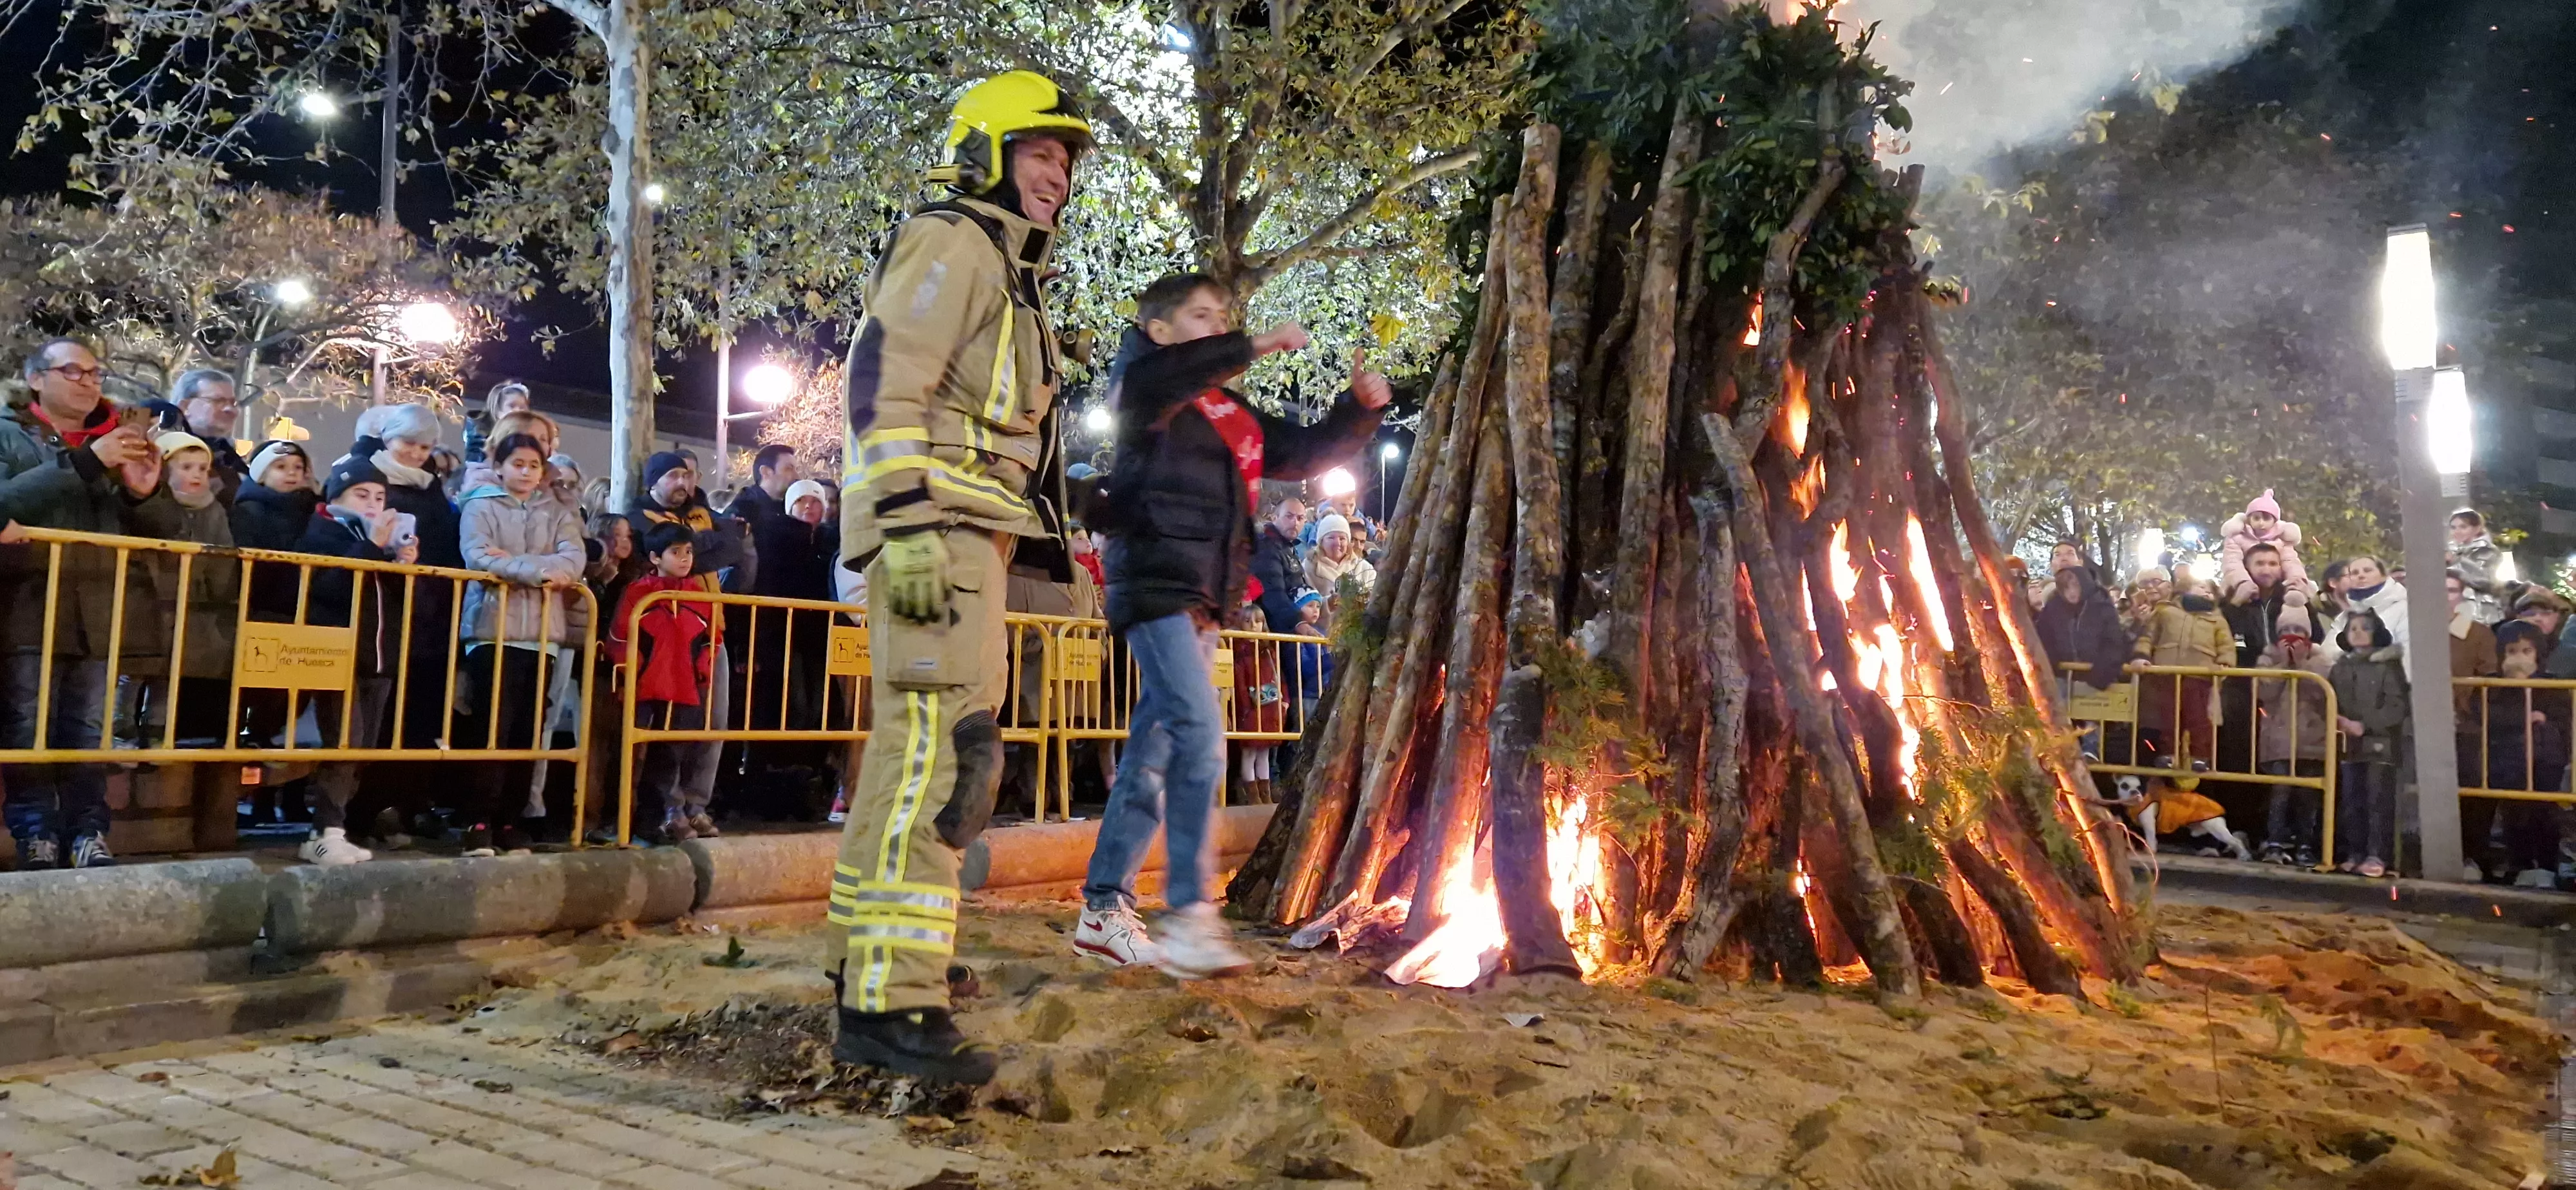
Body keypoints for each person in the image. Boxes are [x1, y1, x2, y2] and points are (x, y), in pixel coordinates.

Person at [826, 70, 1094, 1084]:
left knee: (921, 760)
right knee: (942, 768)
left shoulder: (998, 261)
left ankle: (873, 965)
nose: (1058, 175)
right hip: (934, 531)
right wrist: (907, 529)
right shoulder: (958, 243)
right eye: (1040, 153)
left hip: (960, 530)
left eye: (1066, 162)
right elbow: (884, 377)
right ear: (987, 152)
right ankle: (891, 1006)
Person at [1080, 270, 1388, 981]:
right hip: (1157, 582)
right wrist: (1252, 343)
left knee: (1154, 751)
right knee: (1199, 734)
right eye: (1199, 316)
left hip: (1205, 596)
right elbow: (1173, 376)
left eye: (1222, 315)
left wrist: (1358, 413)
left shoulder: (1230, 413)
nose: (1216, 327)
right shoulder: (1143, 388)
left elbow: (1305, 452)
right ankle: (1190, 914)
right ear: (1158, 332)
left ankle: (1102, 908)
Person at [0, 339, 154, 869]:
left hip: (97, 611)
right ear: (36, 378)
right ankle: (36, 832)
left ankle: (89, 831)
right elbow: (5, 502)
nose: (88, 381)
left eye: (95, 372)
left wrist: (141, 494)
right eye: (73, 371)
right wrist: (88, 461)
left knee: (90, 732)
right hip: (26, 604)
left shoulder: (115, 442)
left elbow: (158, 535)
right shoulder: (8, 431)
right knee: (28, 727)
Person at [454, 432, 585, 855]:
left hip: (543, 636)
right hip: (493, 630)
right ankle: (478, 820)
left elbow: (573, 560)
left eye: (533, 465)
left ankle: (511, 821)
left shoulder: (557, 511)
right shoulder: (481, 505)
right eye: (518, 464)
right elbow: (478, 556)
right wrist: (541, 571)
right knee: (491, 729)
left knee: (528, 733)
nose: (526, 472)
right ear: (500, 466)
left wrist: (517, 567)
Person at [286, 456, 415, 865]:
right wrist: (373, 548)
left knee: (362, 749)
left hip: (378, 657)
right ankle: (325, 830)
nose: (373, 504)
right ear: (338, 496)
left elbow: (395, 603)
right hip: (337, 654)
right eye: (362, 495)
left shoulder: (376, 538)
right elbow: (330, 590)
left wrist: (400, 565)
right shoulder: (323, 531)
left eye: (379, 496)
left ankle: (330, 829)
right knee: (343, 742)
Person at [630, 452, 743, 826]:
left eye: (688, 475)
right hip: (672, 635)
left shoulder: (702, 512)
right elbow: (707, 553)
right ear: (653, 481)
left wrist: (704, 541)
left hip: (712, 629)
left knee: (715, 722)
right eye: (674, 476)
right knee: (674, 724)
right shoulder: (641, 515)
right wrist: (704, 542)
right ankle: (670, 806)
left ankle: (698, 806)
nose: (684, 483)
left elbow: (731, 549)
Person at [127, 431, 242, 750]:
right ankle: (120, 733)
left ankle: (156, 736)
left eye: (202, 469)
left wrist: (217, 590)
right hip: (146, 602)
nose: (196, 475)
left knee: (169, 675)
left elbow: (223, 556)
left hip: (190, 606)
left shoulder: (212, 509)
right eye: (186, 467)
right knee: (132, 673)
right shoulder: (147, 501)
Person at [610, 522, 721, 842]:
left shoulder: (698, 595)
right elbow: (620, 636)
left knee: (673, 754)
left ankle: (662, 818)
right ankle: (630, 822)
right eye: (676, 552)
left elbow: (712, 637)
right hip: (647, 687)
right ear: (656, 557)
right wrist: (629, 673)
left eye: (688, 552)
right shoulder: (639, 593)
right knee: (637, 754)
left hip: (685, 687)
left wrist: (704, 668)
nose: (685, 559)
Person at [2464, 621, 2570, 887]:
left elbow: (2561, 719)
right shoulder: (2492, 686)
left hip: (2544, 761)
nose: (2519, 659)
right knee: (2510, 812)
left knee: (2542, 811)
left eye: (2526, 651)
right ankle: (2516, 864)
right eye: (2512, 652)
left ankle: (2545, 866)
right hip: (2503, 760)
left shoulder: (2553, 685)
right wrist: (2526, 714)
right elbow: (2487, 715)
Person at [2327, 610, 2407, 878]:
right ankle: (2355, 852)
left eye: (2365, 627)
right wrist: (2338, 719)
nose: (2358, 632)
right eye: (2353, 628)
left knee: (2378, 800)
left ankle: (2378, 853)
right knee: (2352, 801)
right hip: (2348, 743)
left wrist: (2365, 725)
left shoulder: (2388, 666)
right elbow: (2329, 698)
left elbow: (2397, 705)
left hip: (2380, 743)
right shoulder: (2340, 668)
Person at [2253, 609, 2333, 866]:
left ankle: (2305, 844)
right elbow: (2265, 692)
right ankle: (2274, 842)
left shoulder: (2320, 659)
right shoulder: (2267, 658)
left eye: (2299, 632)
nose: (2293, 637)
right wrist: (2285, 665)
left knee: (2308, 796)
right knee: (2280, 792)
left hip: (2313, 740)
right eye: (2287, 632)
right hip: (2278, 740)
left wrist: (2301, 664)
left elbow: (2320, 691)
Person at [2132, 574, 2231, 769]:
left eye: (2211, 591)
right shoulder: (2165, 612)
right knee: (2168, 717)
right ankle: (2168, 753)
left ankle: (2200, 756)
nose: (2206, 592)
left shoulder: (2218, 620)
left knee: (2200, 719)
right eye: (2201, 586)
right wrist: (2141, 656)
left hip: (2200, 676)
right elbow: (2148, 636)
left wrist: (2225, 663)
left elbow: (2226, 645)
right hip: (2166, 674)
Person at [2032, 562, 2130, 694]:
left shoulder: (2103, 606)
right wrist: (2052, 667)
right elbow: (2044, 639)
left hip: (2099, 682)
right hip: (2062, 680)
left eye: (2075, 586)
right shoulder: (2053, 608)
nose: (2071, 592)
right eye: (2066, 588)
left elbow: (2113, 643)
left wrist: (2100, 677)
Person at [168, 369, 251, 505]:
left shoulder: (227, 456)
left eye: (233, 403)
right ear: (185, 407)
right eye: (218, 401)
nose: (230, 410)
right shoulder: (167, 455)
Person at [2217, 490, 2310, 608]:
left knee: (2296, 608)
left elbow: (2291, 563)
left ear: (2275, 521)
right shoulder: (2237, 537)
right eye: (2256, 518)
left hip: (2276, 589)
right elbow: (2232, 563)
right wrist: (2242, 583)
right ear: (2249, 519)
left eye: (2266, 519)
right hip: (2241, 586)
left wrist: (2295, 584)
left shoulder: (2282, 540)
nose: (2261, 523)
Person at [231, 442, 319, 551]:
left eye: (298, 467)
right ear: (261, 474)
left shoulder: (312, 507)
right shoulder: (247, 511)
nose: (292, 473)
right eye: (281, 467)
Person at [2320, 555, 2407, 663]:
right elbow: (2328, 650)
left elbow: (2409, 649)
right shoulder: (2347, 615)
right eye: (2355, 573)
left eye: (2368, 571)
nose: (2361, 576)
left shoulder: (2403, 607)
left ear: (2383, 575)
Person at [1249, 498, 1308, 634]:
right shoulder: (1266, 547)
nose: (1295, 522)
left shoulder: (1288, 547)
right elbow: (1272, 593)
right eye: (1289, 516)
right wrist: (1298, 622)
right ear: (1274, 518)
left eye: (1300, 518)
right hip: (1279, 631)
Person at [1301, 511, 1376, 612]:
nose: (1337, 543)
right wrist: (1327, 603)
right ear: (1321, 542)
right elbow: (1302, 603)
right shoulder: (1309, 567)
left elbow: (1377, 594)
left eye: (1342, 538)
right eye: (1331, 538)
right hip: (1321, 626)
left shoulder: (1363, 567)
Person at [2447, 509, 2508, 625]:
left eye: (2463, 527)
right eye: (2453, 528)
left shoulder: (2488, 551)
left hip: (2480, 612)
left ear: (2477, 528)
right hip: (2452, 609)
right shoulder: (2450, 550)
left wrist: (2455, 561)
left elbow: (2483, 580)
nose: (2457, 532)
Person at [730, 444, 801, 529]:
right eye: (789, 469)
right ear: (766, 472)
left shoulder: (792, 508)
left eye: (796, 469)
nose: (797, 477)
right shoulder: (742, 510)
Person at [464, 380, 531, 464]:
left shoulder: (527, 436)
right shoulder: (479, 435)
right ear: (497, 410)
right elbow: (476, 463)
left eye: (522, 407)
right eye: (512, 406)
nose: (518, 410)